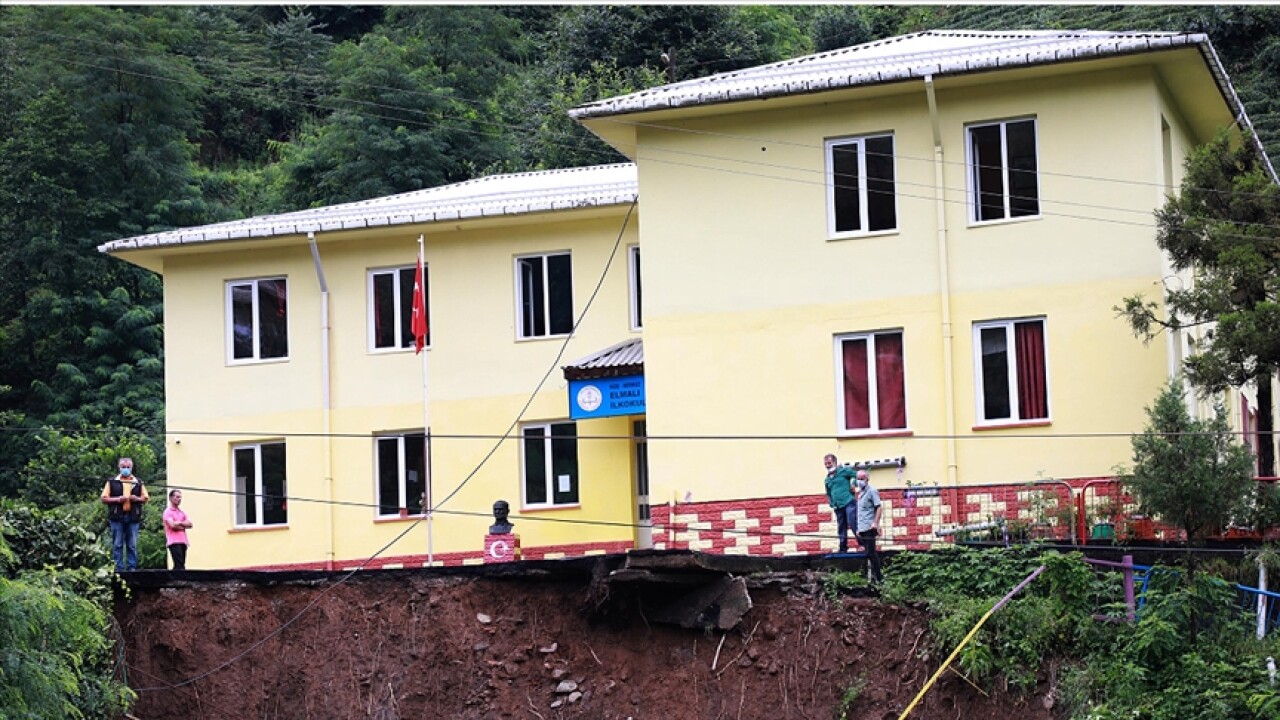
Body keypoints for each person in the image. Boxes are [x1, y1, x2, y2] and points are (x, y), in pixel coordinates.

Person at [101, 457, 149, 572]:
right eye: (123, 467)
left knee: (132, 544)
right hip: (117, 517)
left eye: (128, 467)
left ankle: (132, 567)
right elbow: (104, 498)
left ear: (132, 468)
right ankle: (119, 568)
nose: (126, 469)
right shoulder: (112, 481)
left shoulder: (138, 482)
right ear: (119, 467)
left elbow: (145, 498)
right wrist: (117, 499)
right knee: (117, 544)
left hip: (133, 517)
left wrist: (136, 498)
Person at [822, 454, 857, 553]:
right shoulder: (827, 479)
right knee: (841, 527)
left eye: (829, 463)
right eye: (825, 464)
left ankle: (863, 544)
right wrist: (832, 503)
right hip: (838, 506)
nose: (827, 465)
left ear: (835, 463)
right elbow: (828, 493)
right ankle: (843, 548)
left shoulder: (843, 471)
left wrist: (853, 484)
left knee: (853, 522)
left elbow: (858, 475)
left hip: (849, 502)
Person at [854, 469, 883, 583]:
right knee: (867, 553)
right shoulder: (860, 494)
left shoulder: (872, 491)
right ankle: (871, 578)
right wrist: (858, 529)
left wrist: (875, 523)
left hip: (870, 528)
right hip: (863, 528)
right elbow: (861, 513)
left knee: (871, 553)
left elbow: (879, 507)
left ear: (867, 479)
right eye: (858, 479)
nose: (860, 481)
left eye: (862, 479)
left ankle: (879, 578)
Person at [163, 489, 193, 571]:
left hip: (183, 541)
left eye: (180, 497)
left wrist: (179, 523)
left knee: (181, 564)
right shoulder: (168, 512)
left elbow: (190, 524)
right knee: (179, 564)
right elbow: (172, 525)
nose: (179, 499)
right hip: (174, 541)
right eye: (177, 497)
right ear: (171, 498)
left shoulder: (181, 512)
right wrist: (183, 524)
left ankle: (177, 581)